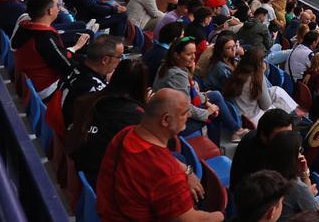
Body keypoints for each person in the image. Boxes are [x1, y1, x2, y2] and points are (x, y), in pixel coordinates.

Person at [95, 89, 224, 222]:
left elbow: (165, 163)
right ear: (166, 119)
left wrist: (187, 171)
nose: (189, 114)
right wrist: (220, 215)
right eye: (185, 113)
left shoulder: (125, 134)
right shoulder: (167, 174)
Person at [67, 59, 149, 186]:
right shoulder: (137, 116)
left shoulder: (87, 100)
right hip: (101, 178)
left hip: (81, 164)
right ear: (142, 85)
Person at [13, 0, 90, 100]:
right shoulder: (45, 37)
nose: (59, 9)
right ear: (50, 11)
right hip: (45, 88)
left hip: (29, 80)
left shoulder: (25, 26)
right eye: (57, 5)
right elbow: (67, 66)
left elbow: (58, 56)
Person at [263, 130, 319, 220]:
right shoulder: (297, 186)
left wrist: (304, 173)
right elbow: (316, 216)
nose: (301, 154)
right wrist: (308, 192)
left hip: (287, 209)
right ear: (292, 157)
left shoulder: (265, 170)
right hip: (295, 217)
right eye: (299, 150)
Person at [151, 38, 220, 133]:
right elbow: (185, 107)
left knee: (216, 96)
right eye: (188, 54)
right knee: (214, 118)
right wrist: (207, 112)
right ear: (176, 55)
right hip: (172, 120)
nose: (193, 57)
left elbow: (191, 90)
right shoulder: (177, 75)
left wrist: (205, 101)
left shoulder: (167, 65)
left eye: (194, 53)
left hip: (169, 110)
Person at [221, 48, 299, 126]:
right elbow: (265, 105)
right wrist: (261, 73)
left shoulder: (235, 73)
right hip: (253, 118)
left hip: (241, 114)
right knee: (277, 108)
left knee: (277, 90)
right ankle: (295, 117)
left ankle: (295, 114)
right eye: (262, 60)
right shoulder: (256, 77)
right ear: (259, 63)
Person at [59, 35, 124, 129]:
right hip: (71, 134)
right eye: (119, 57)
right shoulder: (97, 90)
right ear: (105, 59)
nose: (120, 61)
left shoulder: (73, 63)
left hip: (58, 121)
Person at [231, 109, 296, 187]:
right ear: (264, 136)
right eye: (280, 137)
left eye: (289, 134)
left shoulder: (255, 135)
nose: (287, 140)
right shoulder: (258, 158)